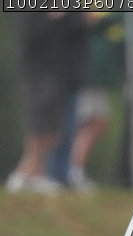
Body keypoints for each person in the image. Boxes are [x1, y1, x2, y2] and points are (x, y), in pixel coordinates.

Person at [7, 12, 88, 195]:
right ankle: (25, 174)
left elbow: (75, 31)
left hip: (55, 75)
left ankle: (32, 173)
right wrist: (51, 17)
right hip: (35, 75)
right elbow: (30, 37)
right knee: (39, 128)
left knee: (53, 132)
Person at [68, 10, 126, 191]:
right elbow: (88, 21)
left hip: (95, 79)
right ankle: (73, 171)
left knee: (95, 123)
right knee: (91, 124)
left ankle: (74, 170)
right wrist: (118, 15)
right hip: (88, 77)